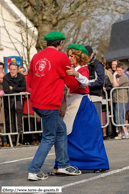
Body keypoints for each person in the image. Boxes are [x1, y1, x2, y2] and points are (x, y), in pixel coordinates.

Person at [27, 31, 82, 181]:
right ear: (60, 44)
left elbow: (30, 82)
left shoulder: (36, 57)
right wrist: (79, 84)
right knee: (49, 136)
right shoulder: (61, 56)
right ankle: (34, 169)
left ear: (47, 43)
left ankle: (63, 164)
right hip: (49, 102)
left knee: (60, 129)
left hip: (37, 102)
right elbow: (70, 80)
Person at [50, 44, 109, 174]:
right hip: (73, 103)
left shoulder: (82, 68)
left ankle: (94, 163)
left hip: (81, 104)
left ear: (79, 56)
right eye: (69, 55)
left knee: (74, 134)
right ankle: (63, 163)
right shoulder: (71, 68)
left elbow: (85, 82)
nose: (69, 58)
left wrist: (76, 74)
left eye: (72, 55)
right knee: (72, 135)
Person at [3, 62, 26, 146]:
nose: (12, 71)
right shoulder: (6, 77)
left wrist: (13, 88)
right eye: (11, 69)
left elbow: (24, 87)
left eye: (14, 70)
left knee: (19, 108)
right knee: (10, 121)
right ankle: (13, 140)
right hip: (8, 102)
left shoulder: (21, 76)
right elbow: (6, 90)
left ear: (17, 70)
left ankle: (20, 130)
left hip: (17, 100)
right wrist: (18, 91)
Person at [84, 45, 104, 121]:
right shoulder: (82, 64)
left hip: (95, 97)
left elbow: (100, 81)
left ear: (92, 53)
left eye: (88, 55)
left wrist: (86, 83)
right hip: (85, 98)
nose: (87, 57)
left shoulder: (98, 65)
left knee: (96, 121)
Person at [113, 62, 129, 139]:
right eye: (117, 70)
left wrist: (113, 75)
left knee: (120, 116)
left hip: (122, 99)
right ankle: (121, 133)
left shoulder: (124, 77)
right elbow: (114, 84)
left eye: (119, 70)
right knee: (118, 117)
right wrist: (115, 78)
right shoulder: (119, 77)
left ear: (123, 70)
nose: (118, 72)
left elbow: (115, 85)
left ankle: (124, 133)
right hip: (118, 99)